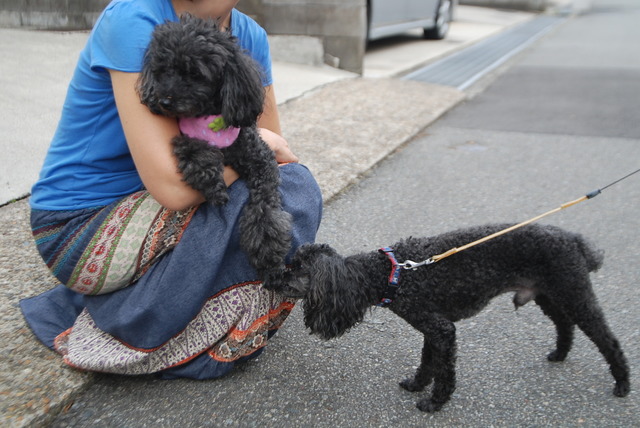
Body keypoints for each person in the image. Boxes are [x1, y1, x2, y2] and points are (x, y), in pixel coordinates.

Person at [20, 0, 322, 379]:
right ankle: (133, 331)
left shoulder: (249, 36)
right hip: (80, 223)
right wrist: (256, 151)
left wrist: (259, 149)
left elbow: (277, 152)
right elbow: (177, 190)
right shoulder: (134, 18)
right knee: (252, 200)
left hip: (156, 203)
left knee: (297, 189)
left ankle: (174, 304)